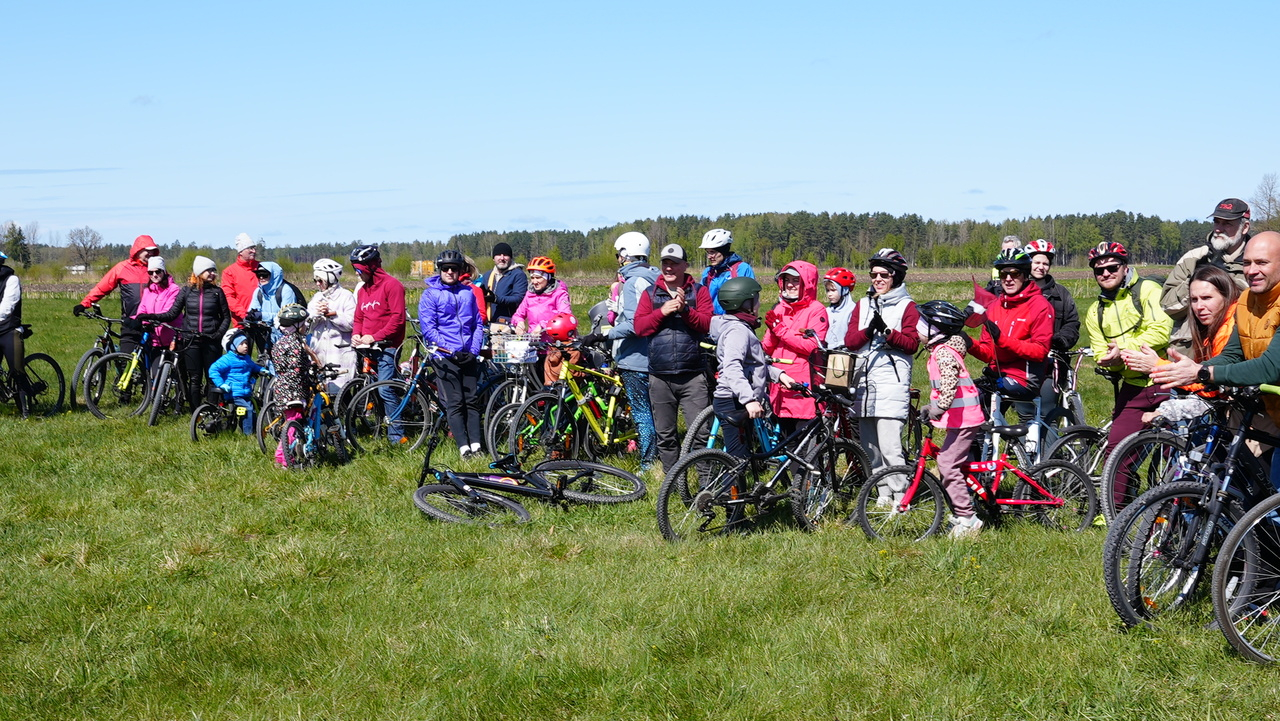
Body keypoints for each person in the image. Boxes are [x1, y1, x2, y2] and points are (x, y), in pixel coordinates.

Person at [1153, 231, 1280, 486]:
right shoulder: (1248, 300)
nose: (1252, 270)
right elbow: (1233, 354)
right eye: (1246, 263)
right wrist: (1196, 368)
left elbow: (1270, 367)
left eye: (1262, 263)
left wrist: (1203, 373)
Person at [1081, 241, 1172, 460]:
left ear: (1124, 267)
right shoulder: (1096, 310)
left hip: (1166, 379)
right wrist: (1108, 360)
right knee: (1116, 453)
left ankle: (1177, 494)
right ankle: (1115, 495)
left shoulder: (1148, 290)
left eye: (1112, 268)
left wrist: (1122, 350)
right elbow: (1100, 350)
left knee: (1174, 449)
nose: (1106, 273)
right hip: (1132, 386)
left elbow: (1161, 330)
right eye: (1099, 270)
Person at [580, 231, 660, 470]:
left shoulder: (633, 283)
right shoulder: (653, 278)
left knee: (642, 412)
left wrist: (602, 334)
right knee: (656, 411)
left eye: (619, 255)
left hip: (635, 357)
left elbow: (636, 324)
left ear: (626, 254)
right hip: (654, 355)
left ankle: (648, 464)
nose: (618, 259)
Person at [633, 243, 713, 472]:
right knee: (666, 436)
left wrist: (685, 311)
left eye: (674, 263)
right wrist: (662, 312)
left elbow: (707, 324)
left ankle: (703, 485)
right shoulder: (650, 293)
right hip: (660, 376)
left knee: (699, 434)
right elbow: (640, 327)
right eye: (665, 263)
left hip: (693, 376)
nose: (668, 268)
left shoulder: (699, 291)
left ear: (685, 265)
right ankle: (673, 484)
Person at [967, 248, 1056, 452]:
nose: (1008, 278)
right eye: (1003, 274)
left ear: (1025, 275)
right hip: (998, 374)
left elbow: (1040, 351)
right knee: (966, 400)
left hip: (1025, 378)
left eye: (1014, 273)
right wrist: (967, 343)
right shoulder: (994, 306)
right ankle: (981, 461)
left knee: (981, 402)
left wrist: (1002, 339)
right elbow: (988, 352)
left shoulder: (1039, 305)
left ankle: (1010, 449)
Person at [844, 248, 919, 475]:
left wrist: (888, 333)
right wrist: (868, 331)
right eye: (874, 275)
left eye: (884, 275)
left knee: (890, 448)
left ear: (895, 276)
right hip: (864, 385)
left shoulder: (908, 306)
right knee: (870, 450)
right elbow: (850, 342)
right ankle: (882, 495)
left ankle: (900, 497)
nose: (878, 279)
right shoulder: (862, 304)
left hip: (891, 384)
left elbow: (912, 344)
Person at [916, 300, 986, 538]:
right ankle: (960, 508)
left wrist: (938, 408)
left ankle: (968, 518)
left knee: (946, 464)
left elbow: (949, 385)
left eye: (921, 324)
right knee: (951, 462)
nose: (916, 329)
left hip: (965, 419)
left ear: (935, 329)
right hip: (961, 418)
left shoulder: (944, 353)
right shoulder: (940, 350)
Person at [707, 277, 798, 458]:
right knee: (738, 461)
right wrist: (749, 400)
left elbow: (753, 364)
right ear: (745, 303)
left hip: (736, 397)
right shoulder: (738, 331)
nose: (758, 304)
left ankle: (740, 485)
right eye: (756, 299)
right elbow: (732, 367)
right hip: (734, 400)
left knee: (742, 456)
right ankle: (727, 487)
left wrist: (778, 375)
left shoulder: (737, 326)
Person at [139, 256, 232, 411]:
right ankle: (196, 412)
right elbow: (171, 314)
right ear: (199, 272)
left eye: (214, 271)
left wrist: (219, 334)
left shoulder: (217, 292)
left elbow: (226, 317)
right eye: (209, 270)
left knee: (212, 377)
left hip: (211, 341)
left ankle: (211, 411)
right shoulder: (186, 292)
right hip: (191, 341)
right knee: (194, 379)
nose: (213, 274)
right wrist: (149, 316)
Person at [1161, 198, 1251, 353]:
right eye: (1217, 222)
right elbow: (1167, 306)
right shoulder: (1195, 258)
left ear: (1245, 227)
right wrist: (1196, 282)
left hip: (1237, 352)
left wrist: (1225, 283)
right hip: (1191, 352)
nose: (1218, 229)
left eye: (1227, 224)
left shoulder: (1259, 260)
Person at [420, 249, 485, 458]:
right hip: (445, 356)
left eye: (454, 269)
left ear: (460, 271)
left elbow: (477, 323)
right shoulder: (430, 294)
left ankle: (477, 446)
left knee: (472, 400)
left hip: (468, 354)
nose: (449, 272)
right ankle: (463, 448)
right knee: (455, 402)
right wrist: (452, 350)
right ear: (440, 270)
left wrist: (473, 351)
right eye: (445, 269)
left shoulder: (468, 293)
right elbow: (429, 329)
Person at [763, 261, 829, 431]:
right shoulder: (780, 308)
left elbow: (813, 347)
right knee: (786, 444)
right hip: (781, 387)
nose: (790, 285)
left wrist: (780, 330)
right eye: (787, 280)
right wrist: (772, 331)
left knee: (804, 447)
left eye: (796, 280)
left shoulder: (816, 310)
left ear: (807, 284)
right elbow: (768, 347)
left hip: (803, 387)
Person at [350, 244, 407, 440]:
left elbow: (398, 319)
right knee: (373, 388)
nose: (357, 274)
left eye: (359, 270)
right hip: (368, 347)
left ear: (370, 267)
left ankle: (397, 435)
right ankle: (381, 425)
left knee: (385, 388)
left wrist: (376, 336)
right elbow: (359, 318)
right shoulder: (363, 291)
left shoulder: (392, 286)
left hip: (388, 346)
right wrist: (356, 334)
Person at [1024, 239, 1080, 425]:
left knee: (1048, 415)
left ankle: (1050, 453)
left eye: (1045, 263)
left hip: (1051, 365)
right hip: (1020, 362)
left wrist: (1061, 340)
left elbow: (1072, 322)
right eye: (1036, 262)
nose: (1041, 267)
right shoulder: (1016, 289)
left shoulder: (1060, 294)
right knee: (1025, 414)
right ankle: (1028, 452)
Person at [74, 234, 158, 353]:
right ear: (138, 250)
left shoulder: (156, 270)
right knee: (126, 361)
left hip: (152, 323)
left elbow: (169, 291)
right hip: (130, 322)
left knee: (150, 364)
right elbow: (102, 287)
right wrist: (84, 304)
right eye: (147, 251)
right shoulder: (122, 268)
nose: (150, 255)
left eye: (153, 251)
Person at [511, 256, 572, 385]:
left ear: (548, 277)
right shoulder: (530, 294)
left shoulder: (559, 293)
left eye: (538, 277)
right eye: (532, 277)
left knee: (551, 387)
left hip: (553, 348)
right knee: (533, 387)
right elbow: (518, 314)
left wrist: (543, 325)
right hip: (534, 347)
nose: (535, 281)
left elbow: (565, 316)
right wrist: (519, 323)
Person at [270, 304, 317, 466]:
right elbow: (298, 368)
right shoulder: (296, 344)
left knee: (290, 420)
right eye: (303, 324)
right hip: (294, 390)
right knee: (293, 422)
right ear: (295, 326)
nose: (305, 327)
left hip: (281, 388)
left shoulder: (280, 342)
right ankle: (282, 457)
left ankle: (290, 451)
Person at [307, 259, 356, 394]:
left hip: (340, 354)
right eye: (315, 280)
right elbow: (306, 327)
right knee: (319, 393)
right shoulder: (316, 298)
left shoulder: (346, 296)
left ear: (331, 279)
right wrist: (314, 315)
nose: (317, 284)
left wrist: (332, 315)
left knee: (340, 393)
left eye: (320, 280)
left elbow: (352, 323)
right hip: (318, 353)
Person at [208, 331, 268, 434]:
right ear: (233, 346)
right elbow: (213, 370)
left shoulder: (246, 358)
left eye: (246, 343)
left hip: (244, 392)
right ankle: (248, 434)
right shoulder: (227, 359)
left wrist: (260, 369)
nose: (245, 346)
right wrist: (221, 384)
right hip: (233, 392)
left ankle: (253, 429)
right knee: (248, 409)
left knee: (252, 409)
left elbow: (252, 366)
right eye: (241, 344)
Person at [133, 256, 182, 362]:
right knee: (155, 375)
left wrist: (150, 318)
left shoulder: (173, 289)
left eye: (158, 271)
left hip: (171, 339)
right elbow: (142, 309)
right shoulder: (148, 290)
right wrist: (140, 320)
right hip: (155, 339)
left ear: (164, 271)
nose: (154, 275)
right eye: (151, 272)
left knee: (174, 375)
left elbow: (167, 312)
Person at [699, 228, 756, 315]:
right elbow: (701, 299)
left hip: (734, 322)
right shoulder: (708, 273)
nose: (709, 256)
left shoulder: (742, 269)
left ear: (724, 251)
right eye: (707, 252)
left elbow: (752, 298)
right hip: (711, 321)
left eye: (712, 252)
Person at [0, 250, 27, 416]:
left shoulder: (12, 280)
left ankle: (26, 410)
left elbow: (7, 306)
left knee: (17, 370)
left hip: (9, 330)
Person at [247, 261, 299, 343]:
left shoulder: (286, 291)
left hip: (284, 336)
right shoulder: (258, 292)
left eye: (264, 275)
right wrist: (250, 316)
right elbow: (253, 310)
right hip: (264, 335)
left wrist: (262, 316)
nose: (261, 278)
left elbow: (286, 317)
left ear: (274, 275)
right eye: (258, 275)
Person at [479, 242, 527, 326]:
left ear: (510, 258)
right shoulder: (488, 275)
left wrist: (496, 299)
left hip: (508, 324)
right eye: (498, 255)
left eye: (505, 255)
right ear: (493, 258)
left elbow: (519, 299)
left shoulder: (518, 275)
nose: (502, 258)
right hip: (488, 323)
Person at [222, 233, 262, 329]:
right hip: (242, 323)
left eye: (254, 248)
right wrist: (244, 314)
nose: (254, 251)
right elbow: (229, 297)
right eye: (250, 248)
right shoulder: (229, 272)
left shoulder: (262, 267)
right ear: (241, 251)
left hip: (263, 320)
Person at [822, 267, 857, 346]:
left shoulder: (853, 311)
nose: (829, 294)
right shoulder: (827, 311)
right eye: (828, 290)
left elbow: (854, 337)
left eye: (833, 290)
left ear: (844, 290)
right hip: (825, 353)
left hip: (844, 355)